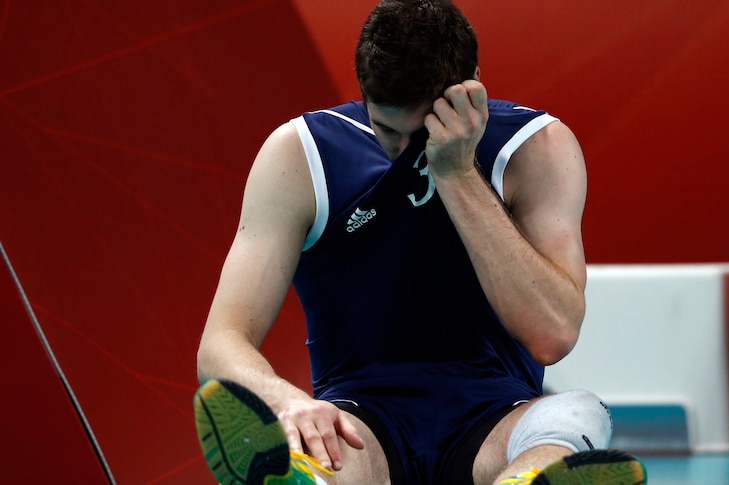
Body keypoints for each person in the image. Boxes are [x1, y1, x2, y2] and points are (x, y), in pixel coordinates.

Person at [193, 1, 647, 484]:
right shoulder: (302, 154)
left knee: (577, 412)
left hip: (497, 423)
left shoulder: (534, 148)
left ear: (472, 84)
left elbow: (552, 335)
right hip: (361, 425)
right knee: (316, 448)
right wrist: (287, 401)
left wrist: (456, 171)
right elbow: (220, 343)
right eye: (390, 131)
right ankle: (301, 477)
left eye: (425, 130)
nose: (410, 151)